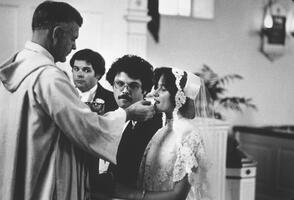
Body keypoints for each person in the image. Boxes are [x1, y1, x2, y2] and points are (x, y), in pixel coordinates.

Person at [0, 1, 154, 200]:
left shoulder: (15, 67)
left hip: (18, 173)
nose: (74, 46)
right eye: (72, 38)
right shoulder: (48, 77)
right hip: (42, 181)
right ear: (56, 33)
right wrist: (127, 113)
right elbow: (86, 128)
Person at [112, 67, 214, 200]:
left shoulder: (189, 134)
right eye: (157, 87)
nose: (155, 93)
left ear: (179, 95)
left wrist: (132, 194)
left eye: (163, 89)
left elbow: (179, 195)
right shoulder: (161, 132)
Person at [70, 48, 118, 114]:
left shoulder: (113, 100)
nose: (79, 75)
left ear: (98, 75)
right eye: (76, 69)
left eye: (86, 70)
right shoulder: (62, 95)